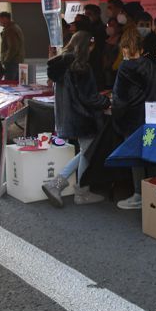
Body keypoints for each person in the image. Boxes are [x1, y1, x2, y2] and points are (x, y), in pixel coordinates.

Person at [42, 31, 110, 207]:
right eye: (91, 46)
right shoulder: (80, 67)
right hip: (82, 116)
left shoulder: (61, 63)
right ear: (85, 46)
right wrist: (106, 101)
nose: (92, 50)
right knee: (87, 153)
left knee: (85, 151)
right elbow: (88, 97)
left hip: (68, 115)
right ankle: (77, 190)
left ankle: (66, 186)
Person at [111, 25, 156, 210]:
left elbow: (119, 99)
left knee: (136, 157)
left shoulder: (124, 67)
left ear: (125, 47)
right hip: (152, 119)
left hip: (131, 120)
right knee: (151, 156)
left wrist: (116, 116)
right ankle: (155, 191)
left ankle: (139, 195)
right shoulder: (151, 65)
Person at [0, 11, 25, 81]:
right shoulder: (13, 27)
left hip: (12, 61)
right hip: (16, 60)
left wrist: (6, 60)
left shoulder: (10, 30)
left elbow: (13, 47)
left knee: (9, 83)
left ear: (5, 19)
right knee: (15, 82)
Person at [102, 19, 123, 89]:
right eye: (109, 25)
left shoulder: (121, 39)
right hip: (105, 72)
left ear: (119, 27)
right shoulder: (106, 38)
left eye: (113, 25)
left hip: (115, 71)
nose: (110, 27)